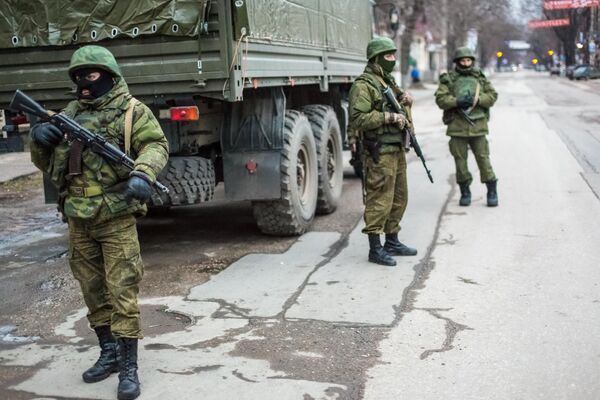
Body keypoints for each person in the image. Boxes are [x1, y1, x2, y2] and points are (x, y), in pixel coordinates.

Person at [29, 45, 169, 400]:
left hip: (116, 216)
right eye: (78, 77)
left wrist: (144, 172)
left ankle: (129, 366)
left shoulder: (131, 111)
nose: (84, 83)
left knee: (123, 289)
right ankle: (108, 353)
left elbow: (156, 145)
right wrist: (39, 141)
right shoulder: (69, 114)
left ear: (109, 75)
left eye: (91, 76)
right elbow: (49, 165)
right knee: (92, 290)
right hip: (78, 217)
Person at [348, 37, 418, 267]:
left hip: (396, 148)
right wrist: (389, 117)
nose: (393, 59)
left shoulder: (387, 81)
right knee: (380, 199)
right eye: (388, 56)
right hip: (379, 152)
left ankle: (392, 241)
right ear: (376, 59)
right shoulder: (364, 85)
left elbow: (398, 104)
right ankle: (375, 248)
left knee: (399, 198)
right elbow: (358, 119)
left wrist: (405, 101)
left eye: (393, 55)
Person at [435, 46, 498, 207]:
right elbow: (441, 99)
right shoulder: (449, 79)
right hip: (457, 127)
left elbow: (492, 96)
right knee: (460, 163)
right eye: (462, 60)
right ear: (457, 62)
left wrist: (477, 100)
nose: (465, 63)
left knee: (484, 160)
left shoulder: (480, 78)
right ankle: (465, 191)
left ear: (472, 61)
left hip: (478, 126)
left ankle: (492, 190)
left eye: (468, 60)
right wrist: (457, 102)